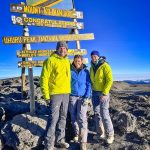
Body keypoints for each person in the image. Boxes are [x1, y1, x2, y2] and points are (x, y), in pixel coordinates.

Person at [40, 41, 71, 150]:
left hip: (66, 93)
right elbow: (44, 78)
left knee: (63, 118)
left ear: (67, 50)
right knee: (53, 119)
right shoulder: (50, 60)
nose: (63, 50)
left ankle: (60, 140)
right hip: (55, 94)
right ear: (57, 49)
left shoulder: (67, 61)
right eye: (61, 48)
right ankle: (48, 144)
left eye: (65, 48)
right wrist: (46, 95)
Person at [90, 50, 114, 144]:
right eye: (92, 56)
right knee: (97, 113)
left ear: (99, 57)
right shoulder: (92, 67)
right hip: (94, 93)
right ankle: (100, 133)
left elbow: (109, 80)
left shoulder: (105, 65)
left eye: (95, 56)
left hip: (103, 93)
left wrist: (104, 93)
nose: (93, 58)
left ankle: (110, 135)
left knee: (104, 113)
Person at [69, 55, 91, 150]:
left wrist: (87, 96)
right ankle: (77, 134)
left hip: (83, 97)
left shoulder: (85, 71)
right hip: (72, 96)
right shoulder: (69, 70)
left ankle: (83, 141)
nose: (77, 62)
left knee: (82, 118)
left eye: (79, 61)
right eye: (76, 61)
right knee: (73, 116)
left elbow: (89, 84)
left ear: (81, 61)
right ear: (73, 61)